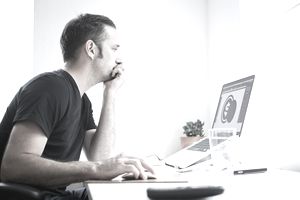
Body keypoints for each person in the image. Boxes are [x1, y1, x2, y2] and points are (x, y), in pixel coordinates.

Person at [0, 13, 154, 199]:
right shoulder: (49, 88)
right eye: (114, 49)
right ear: (91, 49)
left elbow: (99, 157)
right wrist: (97, 168)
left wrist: (110, 93)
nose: (119, 60)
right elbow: (14, 166)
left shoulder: (81, 100)